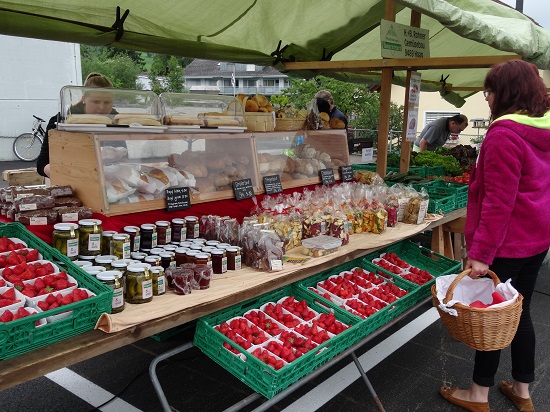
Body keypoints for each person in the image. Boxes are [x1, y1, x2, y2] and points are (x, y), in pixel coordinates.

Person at [439, 60, 550, 412]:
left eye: (489, 91)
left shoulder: (505, 134)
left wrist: (481, 254)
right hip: (537, 238)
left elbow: (499, 202)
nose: (487, 98)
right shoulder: (543, 129)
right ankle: (522, 390)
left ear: (507, 93)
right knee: (520, 311)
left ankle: (478, 395)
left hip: (507, 243)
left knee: (492, 314)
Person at [36, 72, 116, 178]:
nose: (101, 107)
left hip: (109, 180)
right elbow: (42, 163)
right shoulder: (61, 121)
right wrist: (69, 177)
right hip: (69, 180)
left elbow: (121, 156)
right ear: (84, 99)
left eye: (107, 102)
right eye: (96, 102)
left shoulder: (116, 122)